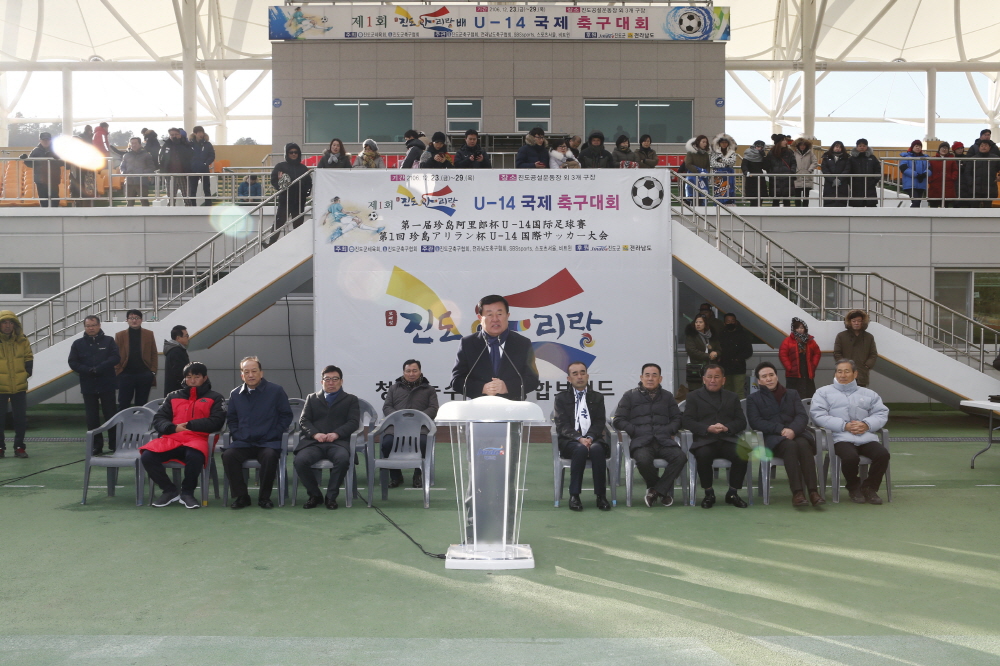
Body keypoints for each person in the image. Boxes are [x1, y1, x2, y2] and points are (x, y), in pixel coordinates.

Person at [141, 362, 225, 509]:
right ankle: (170, 491)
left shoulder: (216, 397)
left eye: (196, 377)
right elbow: (159, 419)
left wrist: (190, 425)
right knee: (147, 456)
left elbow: (217, 422)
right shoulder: (172, 396)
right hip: (173, 439)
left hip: (198, 440)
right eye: (188, 377)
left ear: (205, 378)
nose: (192, 381)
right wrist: (173, 428)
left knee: (195, 456)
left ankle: (187, 493)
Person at [811, 360, 890, 505]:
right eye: (839, 371)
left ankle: (869, 488)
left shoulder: (869, 394)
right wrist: (844, 426)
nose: (843, 375)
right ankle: (853, 487)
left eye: (847, 371)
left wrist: (866, 424)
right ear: (835, 373)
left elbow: (881, 413)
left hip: (865, 436)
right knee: (850, 457)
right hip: (840, 437)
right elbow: (818, 415)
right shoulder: (823, 392)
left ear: (855, 374)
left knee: (883, 454)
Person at [747, 362, 823, 507]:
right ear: (759, 381)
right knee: (790, 445)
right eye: (764, 376)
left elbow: (802, 416)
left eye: (771, 375)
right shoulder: (754, 399)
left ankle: (813, 492)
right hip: (773, 438)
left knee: (803, 444)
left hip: (797, 433)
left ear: (776, 376)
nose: (769, 379)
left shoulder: (792, 393)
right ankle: (798, 493)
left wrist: (793, 430)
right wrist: (781, 429)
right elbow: (755, 422)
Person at [224, 356, 293, 509]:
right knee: (228, 456)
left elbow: (286, 415)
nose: (251, 375)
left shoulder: (276, 391)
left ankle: (264, 497)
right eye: (246, 372)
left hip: (268, 441)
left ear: (261, 373)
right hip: (244, 441)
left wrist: (274, 433)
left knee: (269, 456)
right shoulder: (236, 394)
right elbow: (232, 419)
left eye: (254, 371)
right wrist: (237, 434)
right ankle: (242, 497)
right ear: (242, 375)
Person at [612, 363, 684, 508]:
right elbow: (618, 420)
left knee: (680, 457)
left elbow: (678, 419)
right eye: (647, 375)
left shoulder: (667, 397)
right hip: (641, 442)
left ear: (660, 378)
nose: (650, 378)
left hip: (663, 440)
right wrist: (636, 430)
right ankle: (661, 490)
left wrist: (668, 430)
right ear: (641, 377)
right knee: (643, 460)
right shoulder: (630, 395)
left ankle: (654, 491)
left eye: (654, 375)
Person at [682, 364, 749, 508]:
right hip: (705, 440)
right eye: (710, 377)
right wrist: (707, 428)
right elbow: (687, 420)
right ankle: (709, 493)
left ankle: (732, 493)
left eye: (717, 377)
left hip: (727, 438)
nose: (713, 380)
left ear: (723, 380)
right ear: (704, 379)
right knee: (703, 455)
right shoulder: (693, 396)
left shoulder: (732, 397)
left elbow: (741, 422)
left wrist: (727, 427)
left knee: (742, 453)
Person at [450, 294, 539, 401]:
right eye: (490, 315)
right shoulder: (468, 343)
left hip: (513, 408)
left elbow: (532, 380)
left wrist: (507, 387)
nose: (495, 319)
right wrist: (482, 388)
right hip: (478, 408)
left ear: (507, 315)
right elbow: (456, 380)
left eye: (500, 314)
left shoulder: (522, 343)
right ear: (480, 318)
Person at [295, 365, 359, 510]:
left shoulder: (351, 400)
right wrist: (315, 434)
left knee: (342, 460)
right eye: (327, 379)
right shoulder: (312, 398)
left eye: (335, 379)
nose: (331, 382)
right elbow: (304, 421)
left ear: (341, 381)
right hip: (314, 443)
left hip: (338, 443)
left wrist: (336, 433)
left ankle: (331, 497)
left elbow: (353, 422)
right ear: (321, 381)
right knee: (300, 461)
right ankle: (315, 495)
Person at [553, 362, 611, 511]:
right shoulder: (561, 398)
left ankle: (601, 496)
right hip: (570, 442)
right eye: (575, 374)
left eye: (582, 372)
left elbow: (599, 422)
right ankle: (574, 496)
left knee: (597, 450)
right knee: (581, 449)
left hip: (593, 439)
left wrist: (590, 437)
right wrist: (579, 438)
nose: (580, 377)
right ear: (569, 378)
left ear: (587, 375)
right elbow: (562, 425)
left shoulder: (597, 397)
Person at [381, 359, 439, 489]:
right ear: (403, 372)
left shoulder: (429, 389)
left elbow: (433, 408)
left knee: (424, 443)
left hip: (420, 428)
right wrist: (399, 418)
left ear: (420, 372)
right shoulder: (394, 388)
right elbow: (387, 407)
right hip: (396, 428)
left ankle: (418, 475)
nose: (411, 374)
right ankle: (396, 477)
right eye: (408, 371)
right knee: (386, 444)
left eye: (414, 370)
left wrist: (418, 419)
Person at [68, 316, 120, 455]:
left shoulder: (109, 341)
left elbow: (116, 357)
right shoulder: (77, 344)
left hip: (107, 384)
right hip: (88, 385)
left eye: (93, 325)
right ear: (84, 327)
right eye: (88, 326)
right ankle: (96, 445)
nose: (90, 328)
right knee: (92, 418)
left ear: (99, 325)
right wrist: (88, 370)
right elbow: (73, 362)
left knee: (110, 415)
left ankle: (114, 444)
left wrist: (101, 367)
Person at [0, 311, 32, 459]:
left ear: (15, 324)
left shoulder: (22, 340)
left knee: (20, 418)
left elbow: (28, 356)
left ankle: (19, 447)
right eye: (4, 322)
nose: (7, 326)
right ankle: (0, 447)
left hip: (18, 386)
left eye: (10, 322)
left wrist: (27, 372)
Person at [114, 309, 157, 411]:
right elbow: (115, 354)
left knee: (142, 404)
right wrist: (118, 370)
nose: (134, 321)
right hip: (125, 374)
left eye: (137, 318)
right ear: (127, 320)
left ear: (141, 320)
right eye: (131, 318)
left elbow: (154, 353)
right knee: (123, 403)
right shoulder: (120, 335)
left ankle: (140, 426)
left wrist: (153, 371)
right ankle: (123, 426)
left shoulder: (149, 334)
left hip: (144, 374)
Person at [269, 142, 312, 243]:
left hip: (299, 200)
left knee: (298, 223)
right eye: (291, 152)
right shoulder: (281, 166)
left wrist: (305, 193)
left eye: (296, 152)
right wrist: (280, 184)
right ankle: (271, 242)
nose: (293, 154)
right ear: (287, 154)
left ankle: (297, 244)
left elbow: (309, 183)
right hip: (285, 199)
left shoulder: (303, 168)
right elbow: (273, 180)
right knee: (280, 221)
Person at [778, 317, 821, 399]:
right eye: (797, 328)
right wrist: (789, 367)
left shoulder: (810, 340)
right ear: (794, 329)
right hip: (793, 375)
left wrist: (813, 365)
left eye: (802, 327)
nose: (800, 330)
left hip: (807, 373)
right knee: (793, 397)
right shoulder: (787, 341)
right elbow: (782, 355)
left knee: (809, 396)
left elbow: (817, 353)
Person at [833, 310, 877, 388]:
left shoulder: (869, 337)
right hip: (845, 373)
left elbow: (873, 354)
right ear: (849, 322)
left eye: (859, 321)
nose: (856, 323)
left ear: (863, 322)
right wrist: (844, 366)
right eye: (854, 321)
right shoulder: (841, 336)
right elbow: (837, 353)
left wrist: (867, 365)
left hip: (862, 372)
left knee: (861, 397)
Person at [26, 131, 65, 208]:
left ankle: (54, 213)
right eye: (44, 140)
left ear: (50, 140)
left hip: (53, 178)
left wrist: (58, 160)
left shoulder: (56, 150)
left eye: (47, 140)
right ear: (40, 140)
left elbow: (63, 163)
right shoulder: (35, 151)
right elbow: (30, 164)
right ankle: (44, 212)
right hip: (40, 179)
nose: (46, 142)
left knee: (54, 197)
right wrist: (25, 160)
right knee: (43, 197)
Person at [718, 313, 753, 399]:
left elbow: (749, 351)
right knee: (726, 392)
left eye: (732, 321)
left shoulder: (743, 335)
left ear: (736, 322)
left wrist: (738, 359)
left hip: (739, 368)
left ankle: (740, 411)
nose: (730, 323)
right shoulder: (720, 335)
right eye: (728, 321)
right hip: (724, 368)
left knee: (739, 392)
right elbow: (717, 349)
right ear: (724, 323)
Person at [961, 139, 1000, 208]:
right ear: (979, 148)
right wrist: (971, 183)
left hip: (990, 188)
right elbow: (967, 172)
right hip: (975, 188)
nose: (983, 147)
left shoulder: (995, 158)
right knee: (974, 209)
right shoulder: (973, 159)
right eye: (982, 146)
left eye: (986, 146)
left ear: (989, 147)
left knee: (987, 209)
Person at [158, 128, 193, 204]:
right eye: (172, 135)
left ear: (180, 135)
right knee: (171, 199)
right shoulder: (166, 145)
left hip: (183, 176)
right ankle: (169, 214)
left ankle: (189, 214)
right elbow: (161, 158)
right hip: (170, 176)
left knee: (187, 198)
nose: (174, 136)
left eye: (176, 134)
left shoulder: (186, 145)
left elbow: (191, 158)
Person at [684, 314, 718, 391]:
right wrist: (708, 356)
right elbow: (692, 351)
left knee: (711, 390)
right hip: (696, 368)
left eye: (700, 322)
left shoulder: (712, 335)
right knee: (696, 391)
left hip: (710, 367)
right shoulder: (691, 335)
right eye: (696, 322)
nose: (698, 324)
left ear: (705, 324)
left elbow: (719, 349)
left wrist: (716, 353)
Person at [119, 137, 155, 206]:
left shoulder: (146, 155)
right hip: (129, 182)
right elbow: (122, 167)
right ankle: (129, 216)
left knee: (144, 202)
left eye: (135, 143)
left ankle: (147, 216)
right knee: (129, 203)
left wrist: (142, 174)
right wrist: (123, 172)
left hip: (142, 182)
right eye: (132, 143)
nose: (134, 145)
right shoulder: (126, 155)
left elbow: (151, 167)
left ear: (140, 144)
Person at [848, 138, 881, 207]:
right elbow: (847, 170)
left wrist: (874, 181)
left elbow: (878, 170)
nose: (862, 147)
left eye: (864, 146)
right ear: (857, 147)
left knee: (871, 207)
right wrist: (851, 182)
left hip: (870, 186)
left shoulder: (872, 158)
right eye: (860, 146)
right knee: (856, 207)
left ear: (867, 147)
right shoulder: (851, 159)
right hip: (856, 187)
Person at [187, 126, 215, 206]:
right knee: (192, 189)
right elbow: (186, 156)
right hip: (193, 170)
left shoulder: (207, 144)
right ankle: (193, 206)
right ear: (195, 133)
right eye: (199, 132)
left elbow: (212, 156)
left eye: (202, 132)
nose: (201, 134)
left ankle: (208, 205)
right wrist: (190, 164)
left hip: (204, 169)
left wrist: (206, 163)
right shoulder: (189, 144)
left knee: (206, 188)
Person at [927, 141, 958, 208]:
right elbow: (929, 170)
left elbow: (955, 170)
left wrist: (952, 177)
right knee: (933, 205)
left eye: (946, 148)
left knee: (946, 205)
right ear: (939, 149)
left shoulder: (951, 159)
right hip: (935, 184)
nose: (944, 149)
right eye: (942, 148)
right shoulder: (932, 159)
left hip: (947, 184)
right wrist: (930, 179)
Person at [767, 134, 796, 207]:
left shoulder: (789, 152)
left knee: (786, 200)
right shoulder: (771, 153)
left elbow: (793, 163)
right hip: (775, 179)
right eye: (783, 140)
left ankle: (788, 217)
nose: (785, 142)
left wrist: (791, 172)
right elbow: (767, 165)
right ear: (778, 142)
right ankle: (774, 217)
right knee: (775, 200)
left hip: (787, 178)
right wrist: (771, 173)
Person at [820, 141, 851, 207]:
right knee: (829, 202)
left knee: (841, 203)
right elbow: (824, 169)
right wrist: (832, 180)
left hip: (842, 184)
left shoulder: (846, 158)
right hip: (829, 184)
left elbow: (847, 169)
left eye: (840, 147)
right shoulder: (826, 157)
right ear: (833, 147)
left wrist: (839, 179)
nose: (838, 148)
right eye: (836, 146)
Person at [899, 140, 928, 208]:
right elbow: (904, 168)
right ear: (912, 147)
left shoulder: (925, 158)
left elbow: (929, 168)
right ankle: (909, 216)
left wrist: (924, 174)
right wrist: (916, 174)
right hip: (910, 184)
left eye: (920, 146)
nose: (918, 148)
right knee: (916, 201)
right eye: (916, 146)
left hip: (921, 183)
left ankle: (914, 217)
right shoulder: (906, 157)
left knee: (918, 202)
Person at [163, 325, 190, 396]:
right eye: (186, 336)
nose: (188, 338)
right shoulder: (176, 351)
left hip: (173, 391)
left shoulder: (174, 349)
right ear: (178, 338)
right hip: (177, 391)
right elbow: (180, 373)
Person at [710, 132, 737, 203]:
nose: (724, 144)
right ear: (719, 143)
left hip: (729, 173)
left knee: (729, 190)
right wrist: (725, 164)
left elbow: (732, 162)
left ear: (728, 143)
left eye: (725, 142)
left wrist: (721, 160)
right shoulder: (715, 152)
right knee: (718, 191)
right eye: (722, 142)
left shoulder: (732, 152)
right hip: (718, 174)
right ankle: (718, 204)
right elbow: (713, 163)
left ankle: (729, 203)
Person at [683, 134, 711, 203]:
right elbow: (688, 164)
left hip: (703, 178)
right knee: (693, 196)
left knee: (703, 195)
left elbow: (707, 165)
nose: (705, 144)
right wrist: (698, 171)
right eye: (703, 142)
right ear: (698, 142)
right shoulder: (691, 153)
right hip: (692, 177)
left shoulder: (706, 154)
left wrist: (706, 173)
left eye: (706, 142)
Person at [741, 140, 769, 205]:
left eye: (761, 147)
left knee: (761, 197)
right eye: (758, 146)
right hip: (751, 178)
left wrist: (764, 157)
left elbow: (765, 167)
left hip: (760, 178)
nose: (759, 148)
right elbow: (744, 165)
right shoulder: (748, 153)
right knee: (752, 197)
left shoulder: (762, 155)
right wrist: (746, 172)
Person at [791, 138, 817, 206]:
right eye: (801, 145)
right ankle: (797, 210)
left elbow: (814, 162)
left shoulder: (810, 153)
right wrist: (795, 171)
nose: (802, 146)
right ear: (798, 146)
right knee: (797, 196)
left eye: (804, 145)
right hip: (797, 177)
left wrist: (809, 170)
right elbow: (792, 163)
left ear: (806, 146)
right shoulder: (794, 153)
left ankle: (805, 209)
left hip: (807, 177)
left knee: (806, 196)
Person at [951, 141, 968, 207]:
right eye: (958, 149)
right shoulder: (952, 159)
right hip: (955, 181)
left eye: (961, 148)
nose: (960, 150)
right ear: (954, 150)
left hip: (965, 182)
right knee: (956, 202)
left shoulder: (967, 158)